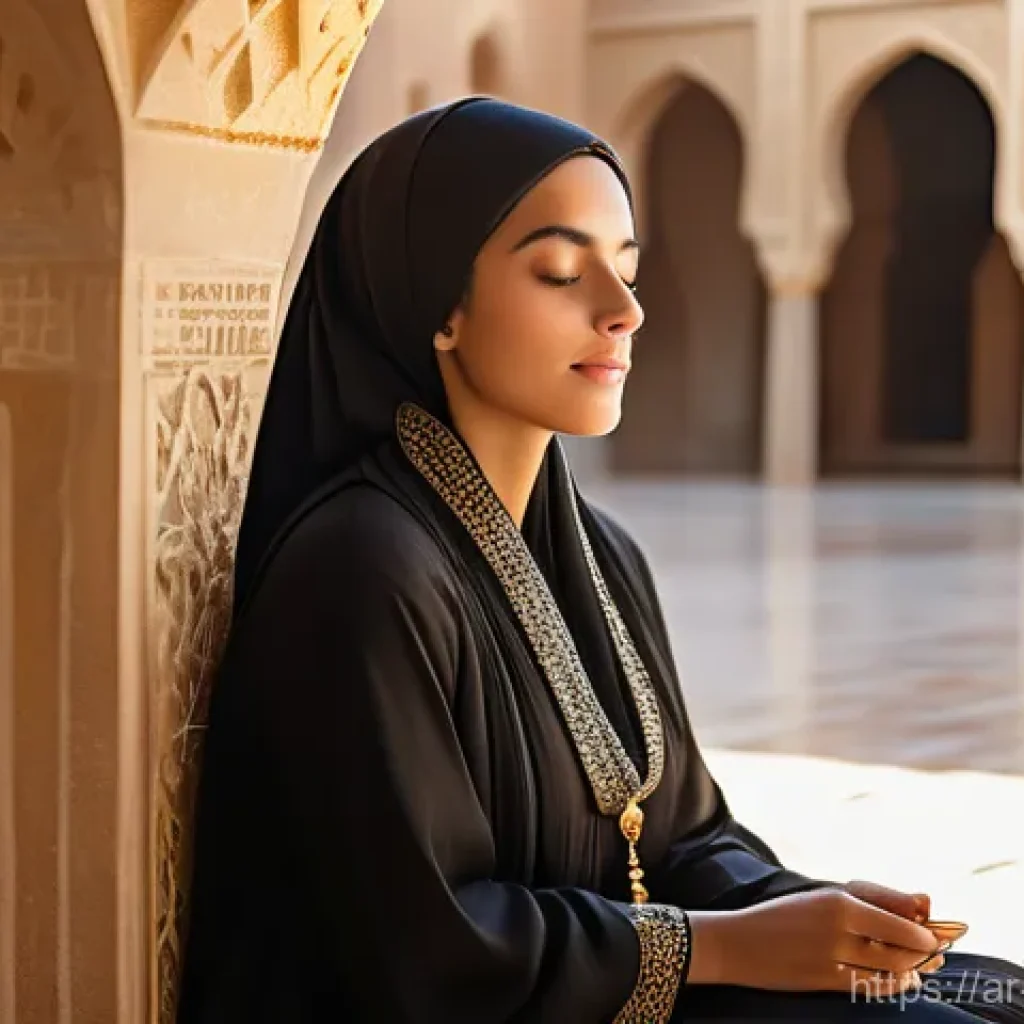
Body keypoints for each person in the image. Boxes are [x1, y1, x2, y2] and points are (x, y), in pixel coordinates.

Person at [176, 97, 1024, 1023]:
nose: (625, 312)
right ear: (438, 304)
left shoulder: (601, 556)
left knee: (997, 994)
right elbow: (428, 952)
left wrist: (809, 914)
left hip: (622, 988)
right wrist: (729, 945)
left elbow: (683, 839)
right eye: (562, 273)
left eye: (627, 270)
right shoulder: (360, 572)